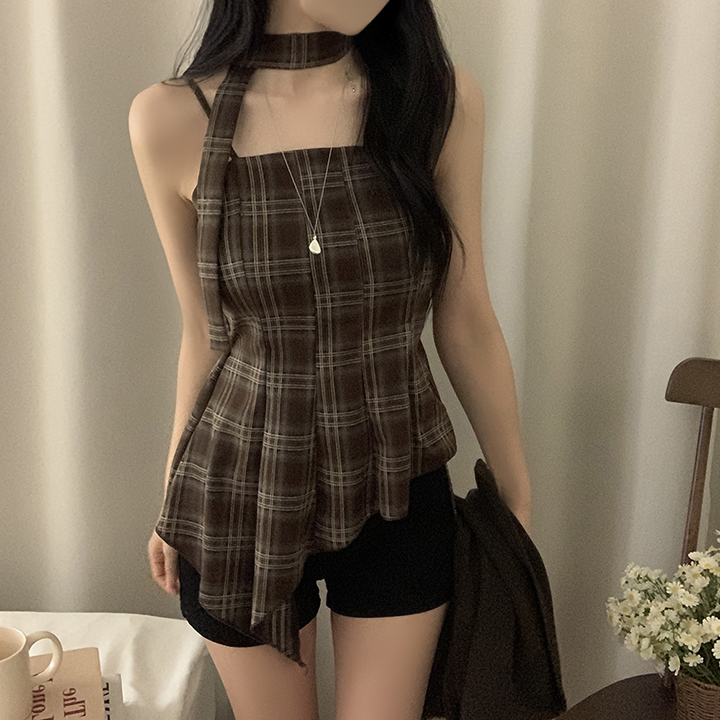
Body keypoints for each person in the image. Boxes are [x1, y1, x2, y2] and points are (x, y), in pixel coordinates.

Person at [129, 1, 533, 718]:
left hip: (398, 479)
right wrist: (172, 492)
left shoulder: (436, 100)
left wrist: (516, 494)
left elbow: (465, 314)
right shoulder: (169, 118)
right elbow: (204, 333)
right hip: (237, 490)